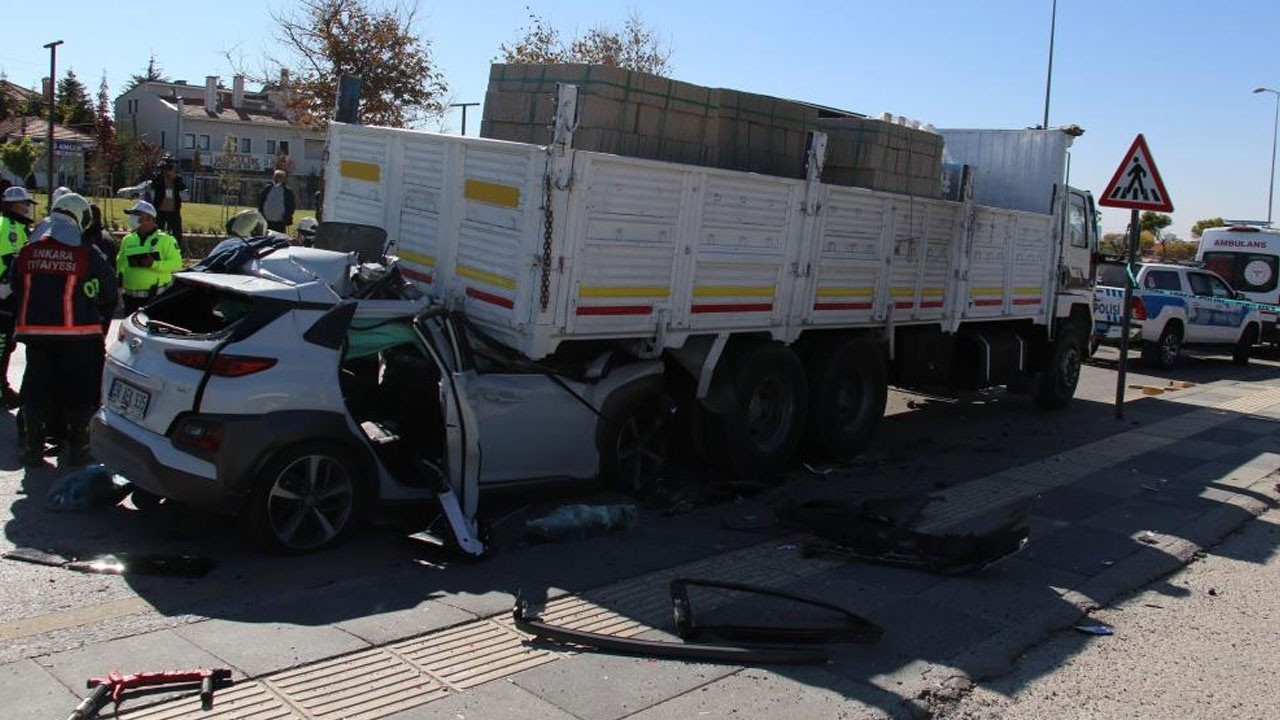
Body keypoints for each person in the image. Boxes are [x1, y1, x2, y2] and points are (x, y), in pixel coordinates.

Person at [10, 192, 117, 466]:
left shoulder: (27, 251)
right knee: (79, 393)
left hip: (36, 335)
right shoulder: (86, 253)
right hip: (78, 336)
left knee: (36, 389)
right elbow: (108, 292)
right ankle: (79, 450)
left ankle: (33, 449)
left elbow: (16, 287)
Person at [0, 186, 38, 408]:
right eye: (24, 205)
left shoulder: (17, 227)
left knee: (7, 343)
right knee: (3, 342)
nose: (27, 209)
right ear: (14, 206)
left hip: (9, 293)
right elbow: (11, 261)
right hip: (5, 294)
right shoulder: (9, 226)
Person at [117, 200, 183, 314]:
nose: (132, 218)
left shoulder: (166, 240)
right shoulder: (127, 240)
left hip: (154, 299)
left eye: (137, 215)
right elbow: (120, 264)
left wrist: (154, 264)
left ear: (149, 218)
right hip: (130, 299)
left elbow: (177, 264)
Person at [150, 156, 186, 249]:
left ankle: (177, 250)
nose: (168, 170)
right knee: (157, 232)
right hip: (160, 210)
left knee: (177, 233)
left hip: (173, 211)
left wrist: (174, 178)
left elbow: (182, 187)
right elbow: (153, 185)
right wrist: (162, 175)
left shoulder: (177, 178)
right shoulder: (158, 177)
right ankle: (155, 249)